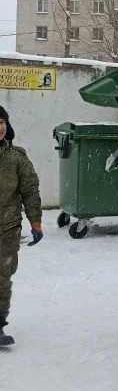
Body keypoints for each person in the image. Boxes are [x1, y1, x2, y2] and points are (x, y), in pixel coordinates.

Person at [0, 105, 43, 347]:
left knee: (2, 278)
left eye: (2, 122)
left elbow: (29, 190)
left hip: (7, 229)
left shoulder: (16, 157)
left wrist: (35, 221)